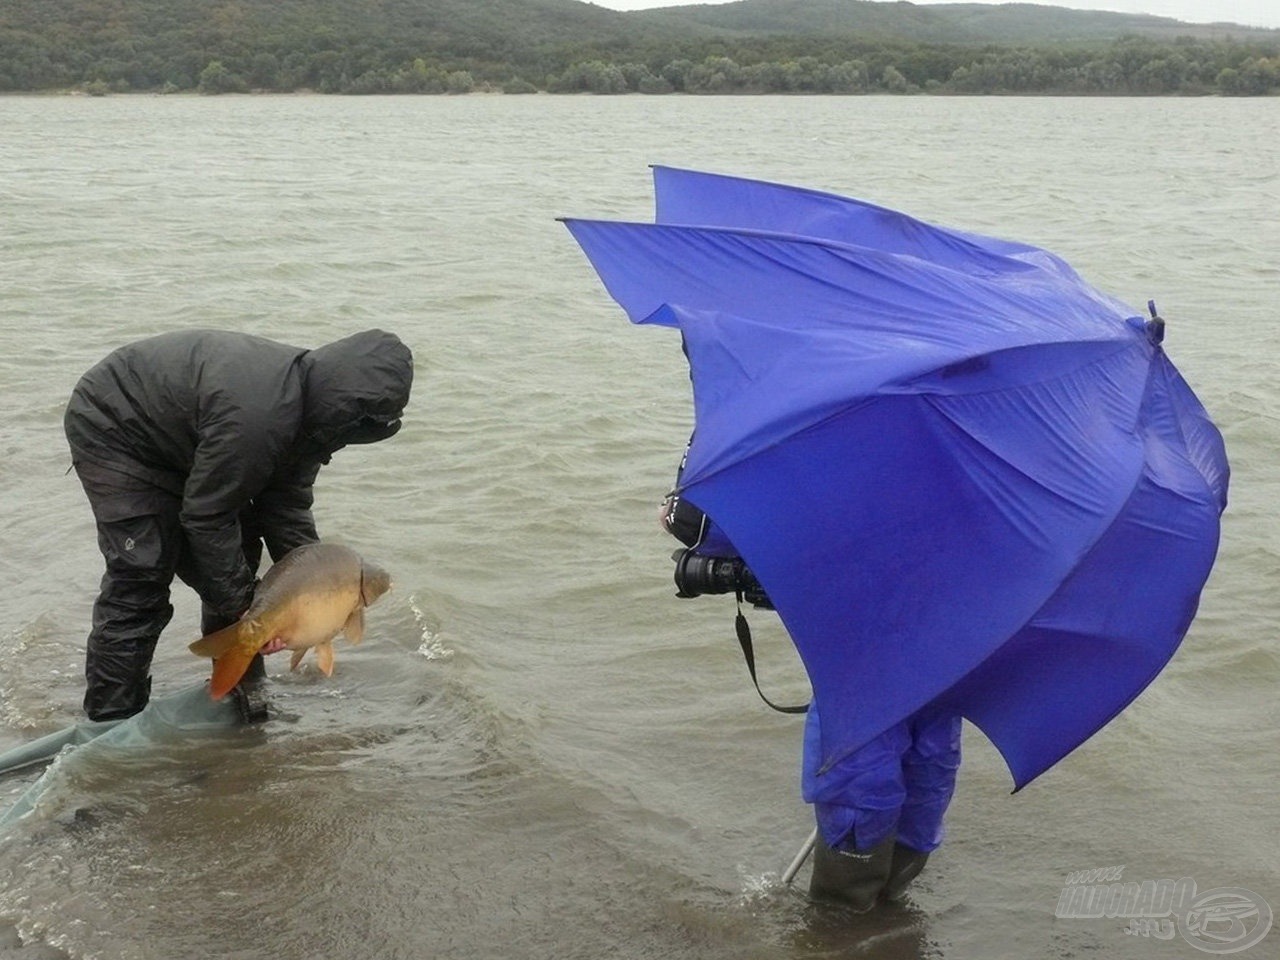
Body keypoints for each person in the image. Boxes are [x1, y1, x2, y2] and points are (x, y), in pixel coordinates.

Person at [64, 328, 413, 723]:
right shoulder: (259, 419)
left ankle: (241, 693)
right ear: (349, 412)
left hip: (188, 441)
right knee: (142, 576)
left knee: (238, 562)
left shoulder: (313, 417)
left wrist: (306, 590)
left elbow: (287, 508)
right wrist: (252, 613)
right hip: (117, 428)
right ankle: (111, 721)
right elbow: (206, 516)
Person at [660, 461, 961, 910]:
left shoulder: (851, 424)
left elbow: (695, 522)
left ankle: (845, 914)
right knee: (928, 760)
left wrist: (677, 511)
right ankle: (889, 907)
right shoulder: (1000, 441)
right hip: (954, 632)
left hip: (865, 647)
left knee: (861, 774)